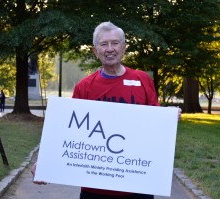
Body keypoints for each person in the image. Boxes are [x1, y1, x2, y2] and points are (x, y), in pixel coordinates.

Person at [31, 21, 181, 199]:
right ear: (96, 51)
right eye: (104, 44)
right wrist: (44, 162)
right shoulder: (84, 87)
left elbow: (154, 122)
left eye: (115, 43)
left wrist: (169, 117)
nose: (110, 48)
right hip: (95, 189)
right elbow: (68, 131)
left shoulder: (142, 79)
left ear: (124, 47)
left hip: (138, 185)